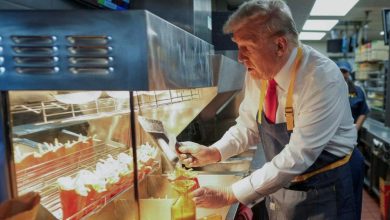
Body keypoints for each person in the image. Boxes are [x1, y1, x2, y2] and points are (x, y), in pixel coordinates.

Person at [178, 0, 364, 219]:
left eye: (246, 47)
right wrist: (215, 152)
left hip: (327, 184)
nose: (239, 57)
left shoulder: (322, 78)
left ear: (280, 46)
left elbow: (298, 155)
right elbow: (247, 126)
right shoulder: (258, 73)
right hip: (286, 179)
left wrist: (230, 193)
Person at [337, 61, 370, 130]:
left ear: (349, 73)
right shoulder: (329, 90)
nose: (342, 75)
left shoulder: (357, 91)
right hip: (332, 134)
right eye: (340, 71)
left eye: (344, 71)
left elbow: (363, 112)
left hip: (350, 132)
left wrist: (355, 130)